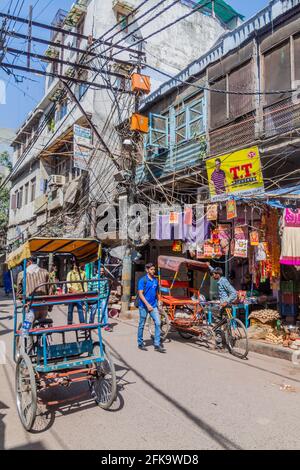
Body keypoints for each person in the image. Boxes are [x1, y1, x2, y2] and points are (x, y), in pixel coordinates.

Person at [137, 263, 166, 353]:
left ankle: (157, 344)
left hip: (153, 306)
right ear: (147, 270)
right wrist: (147, 305)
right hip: (143, 306)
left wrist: (159, 301)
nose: (153, 271)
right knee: (142, 324)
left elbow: (156, 293)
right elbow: (140, 294)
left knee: (158, 323)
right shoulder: (143, 280)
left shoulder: (155, 280)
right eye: (151, 269)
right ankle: (140, 343)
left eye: (154, 269)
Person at [17, 257, 50, 322]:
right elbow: (50, 290)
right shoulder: (45, 272)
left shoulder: (22, 274)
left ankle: (26, 330)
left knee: (27, 328)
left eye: (25, 263)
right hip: (43, 307)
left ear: (29, 262)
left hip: (30, 307)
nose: (24, 265)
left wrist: (22, 301)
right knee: (41, 324)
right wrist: (50, 306)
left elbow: (19, 293)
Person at [89, 266, 111, 331]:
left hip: (103, 297)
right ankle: (91, 324)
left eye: (102, 271)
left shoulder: (105, 279)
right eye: (100, 271)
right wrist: (90, 298)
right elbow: (89, 288)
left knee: (104, 311)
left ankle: (106, 325)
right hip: (95, 297)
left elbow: (107, 288)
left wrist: (106, 296)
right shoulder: (93, 279)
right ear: (97, 271)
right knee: (93, 311)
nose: (101, 272)